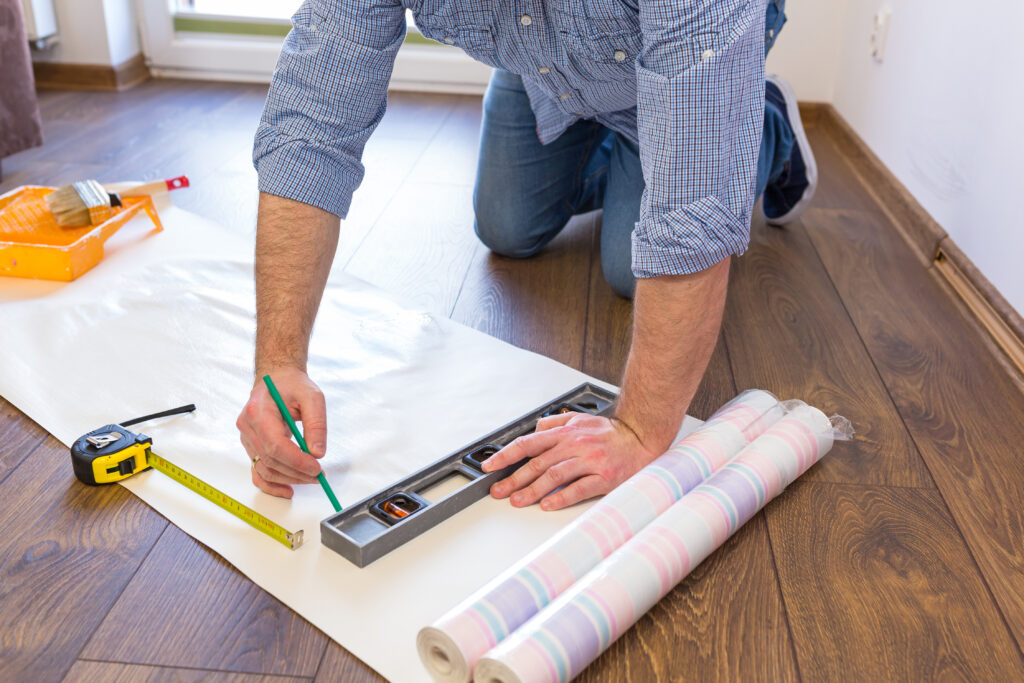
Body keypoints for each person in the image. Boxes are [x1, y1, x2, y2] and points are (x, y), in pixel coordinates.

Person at [236, 0, 817, 511]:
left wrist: (638, 432)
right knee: (507, 225)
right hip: (545, 49)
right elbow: (311, 134)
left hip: (687, 46)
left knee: (626, 265)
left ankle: (761, 121)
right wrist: (278, 363)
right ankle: (595, 110)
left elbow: (694, 206)